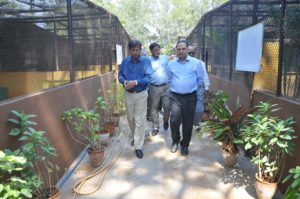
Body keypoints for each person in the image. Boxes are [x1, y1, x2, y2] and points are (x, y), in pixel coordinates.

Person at [166, 40, 203, 156]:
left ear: (187, 50)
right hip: (175, 96)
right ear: (176, 50)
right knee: (174, 120)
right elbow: (169, 79)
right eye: (179, 49)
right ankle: (175, 141)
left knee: (188, 122)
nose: (181, 51)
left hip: (190, 97)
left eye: (183, 49)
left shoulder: (196, 63)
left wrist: (192, 89)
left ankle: (185, 145)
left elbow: (200, 79)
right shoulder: (171, 64)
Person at [118, 39, 153, 159]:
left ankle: (138, 146)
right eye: (133, 50)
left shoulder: (146, 61)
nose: (135, 53)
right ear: (129, 50)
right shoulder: (125, 61)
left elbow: (149, 78)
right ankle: (135, 136)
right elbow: (120, 75)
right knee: (130, 118)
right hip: (128, 94)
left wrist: (136, 82)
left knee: (140, 120)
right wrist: (125, 81)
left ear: (140, 49)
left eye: (137, 50)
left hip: (141, 93)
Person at [148, 42, 170, 136]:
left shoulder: (165, 58)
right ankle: (155, 127)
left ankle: (165, 120)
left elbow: (169, 69)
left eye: (158, 50)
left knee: (167, 106)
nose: (157, 52)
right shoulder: (148, 60)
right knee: (154, 108)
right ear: (151, 51)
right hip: (154, 88)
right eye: (155, 50)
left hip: (166, 87)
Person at [187, 45, 210, 131]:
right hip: (188, 89)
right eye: (190, 53)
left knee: (199, 108)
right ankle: (189, 123)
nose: (191, 54)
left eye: (193, 53)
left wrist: (206, 87)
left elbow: (204, 75)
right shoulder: (183, 63)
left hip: (199, 88)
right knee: (188, 107)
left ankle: (197, 123)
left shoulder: (200, 63)